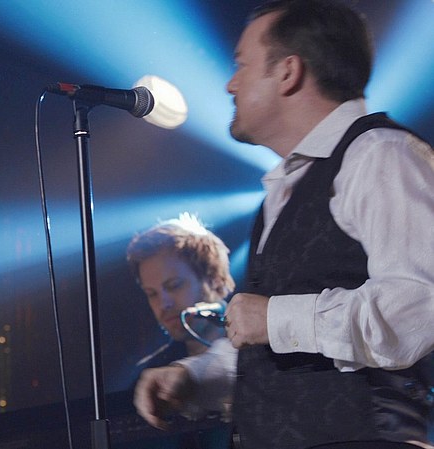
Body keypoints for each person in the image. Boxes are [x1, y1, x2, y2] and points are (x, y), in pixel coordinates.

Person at [133, 1, 434, 448]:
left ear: (288, 72)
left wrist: (276, 318)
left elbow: (420, 307)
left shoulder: (380, 155)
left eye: (242, 65)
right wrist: (195, 377)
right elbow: (268, 342)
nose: (230, 83)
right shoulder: (283, 190)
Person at [125, 213, 236, 448]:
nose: (163, 304)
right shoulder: (147, 377)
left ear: (214, 279)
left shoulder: (259, 342)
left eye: (174, 285)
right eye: (152, 294)